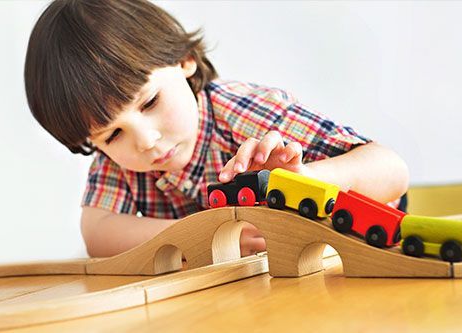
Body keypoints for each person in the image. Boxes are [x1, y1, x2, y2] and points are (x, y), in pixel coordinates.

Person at [24, 0, 409, 258]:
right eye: (112, 135)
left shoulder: (245, 113)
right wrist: (206, 234)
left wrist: (310, 178)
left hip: (360, 263)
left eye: (150, 102)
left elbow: (393, 171)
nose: (145, 140)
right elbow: (97, 234)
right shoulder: (120, 158)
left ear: (185, 60)